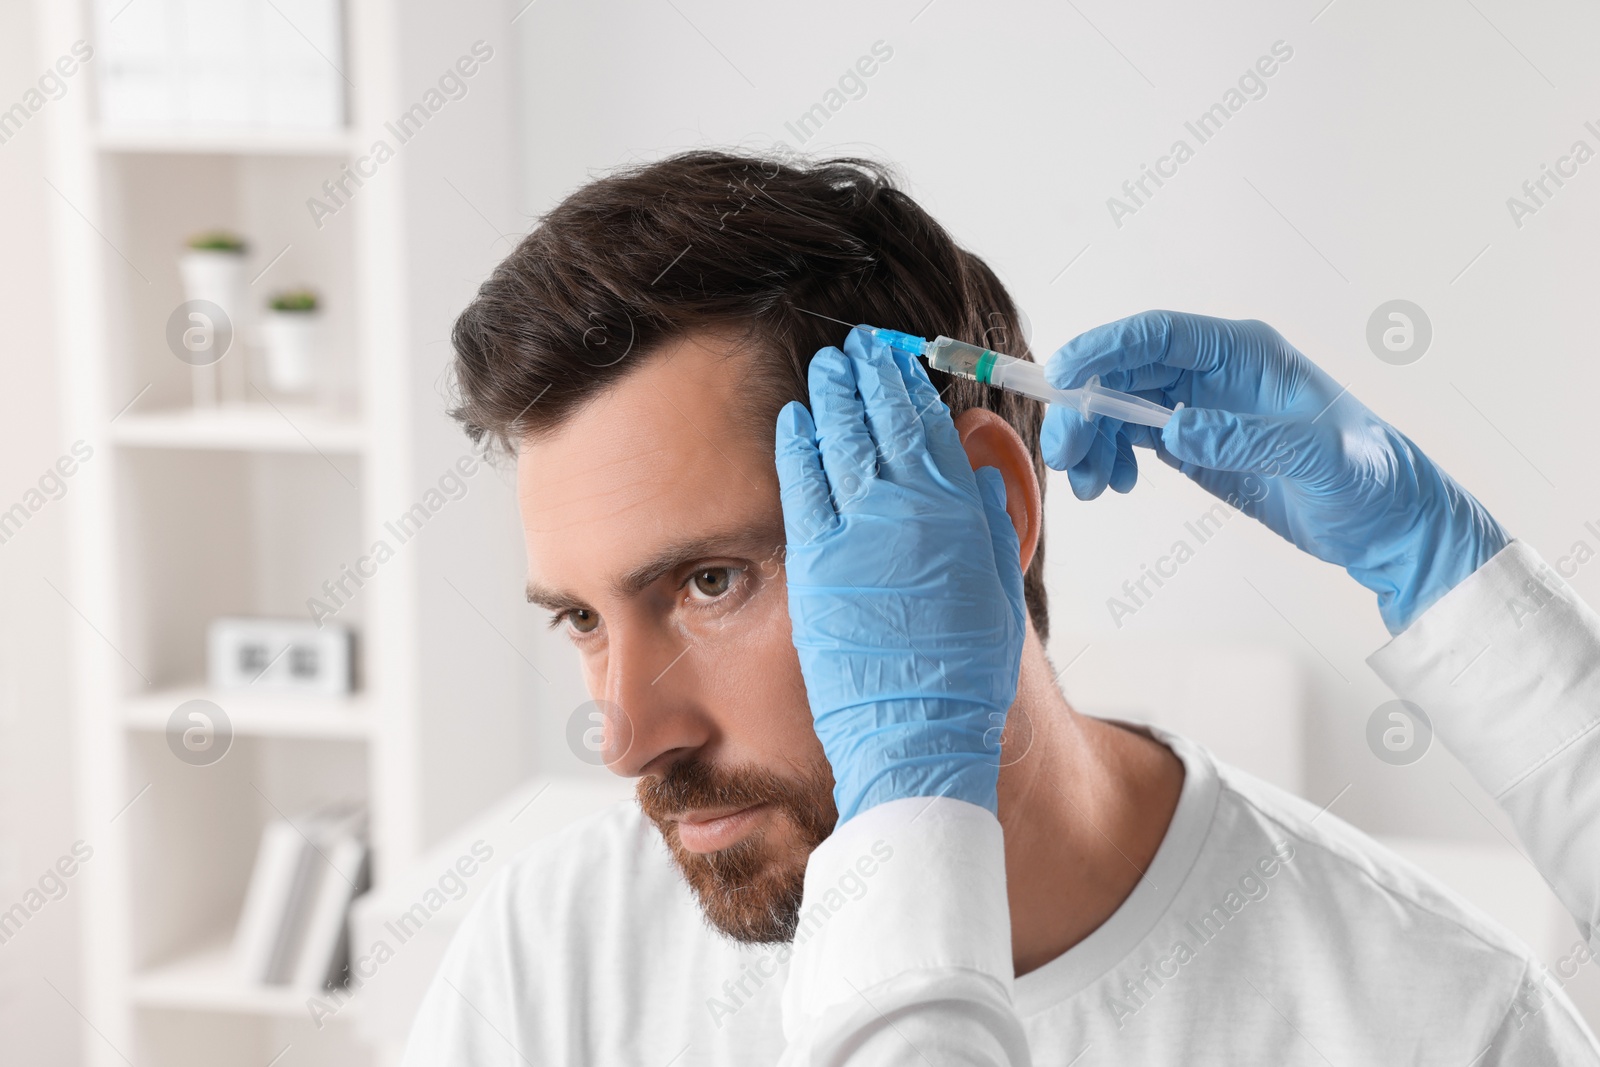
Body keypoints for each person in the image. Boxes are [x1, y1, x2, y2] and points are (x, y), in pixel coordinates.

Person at [400, 150, 1600, 1064]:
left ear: (987, 508)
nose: (625, 736)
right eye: (581, 619)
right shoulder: (551, 955)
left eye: (711, 581)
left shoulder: (1437, 1021)